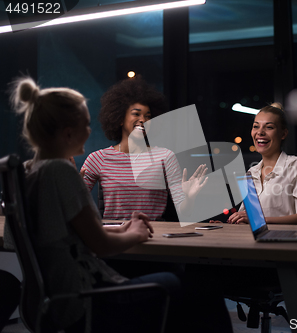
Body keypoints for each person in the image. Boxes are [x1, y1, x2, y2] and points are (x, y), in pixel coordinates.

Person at [9, 77, 181, 333]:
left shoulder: (26, 172)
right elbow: (99, 244)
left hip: (48, 299)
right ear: (68, 132)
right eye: (86, 125)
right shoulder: (61, 171)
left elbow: (65, 234)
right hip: (84, 297)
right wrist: (134, 233)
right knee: (179, 283)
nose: (90, 131)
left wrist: (122, 228)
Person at [82, 76, 207, 221]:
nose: (143, 120)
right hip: (114, 237)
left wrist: (189, 199)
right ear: (120, 118)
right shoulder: (98, 158)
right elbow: (74, 204)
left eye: (148, 116)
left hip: (153, 235)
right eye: (136, 114)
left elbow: (184, 212)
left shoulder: (165, 157)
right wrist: (72, 184)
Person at [227, 102, 297, 225]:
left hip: (285, 242)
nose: (260, 132)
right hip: (256, 242)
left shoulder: (296, 165)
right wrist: (228, 224)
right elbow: (246, 220)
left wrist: (261, 219)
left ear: (283, 134)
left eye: (269, 127)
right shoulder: (250, 173)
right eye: (256, 126)